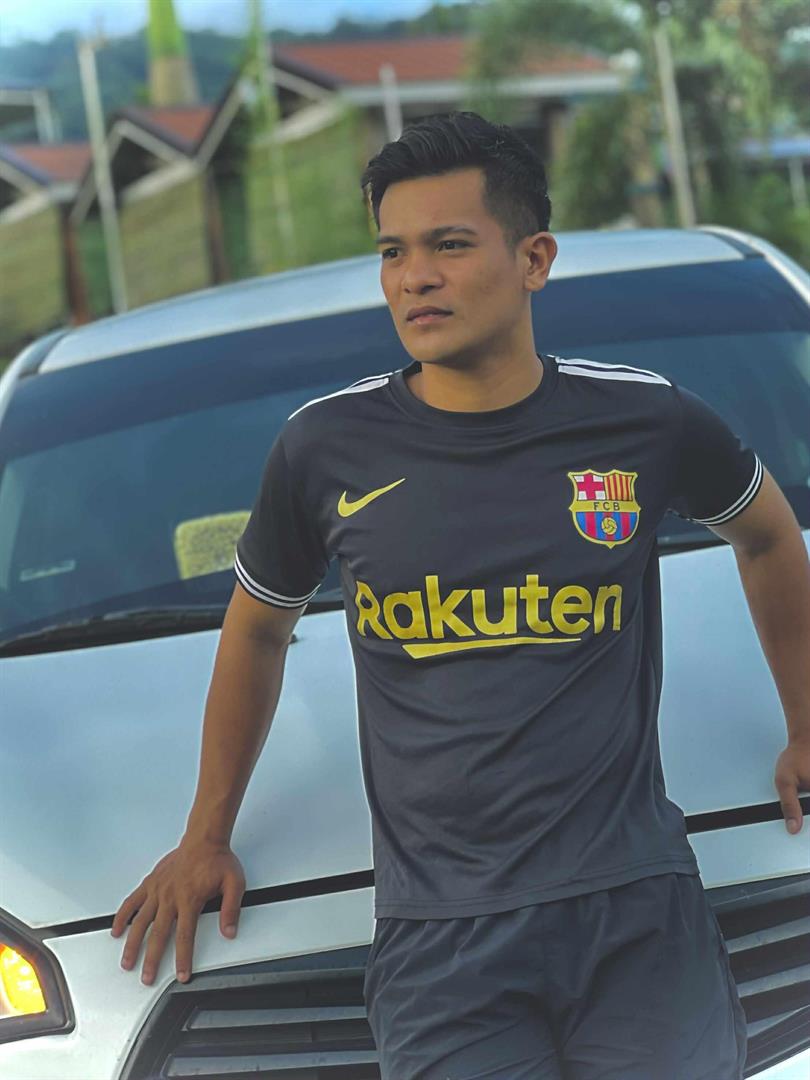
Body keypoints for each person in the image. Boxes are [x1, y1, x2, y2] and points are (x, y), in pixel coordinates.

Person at [111, 111, 810, 1079]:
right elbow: (258, 632)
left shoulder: (644, 420)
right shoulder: (323, 449)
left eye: (449, 245)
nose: (414, 277)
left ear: (534, 260)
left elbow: (769, 533)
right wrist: (205, 835)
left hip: (636, 912)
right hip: (441, 944)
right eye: (392, 252)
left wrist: (804, 721)